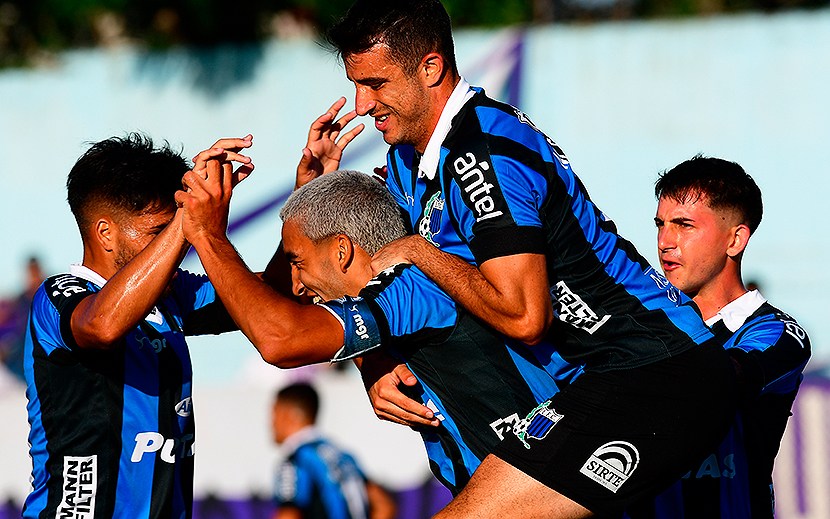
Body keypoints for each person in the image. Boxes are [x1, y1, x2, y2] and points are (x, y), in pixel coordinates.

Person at [297, 1, 743, 517]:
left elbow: (525, 316)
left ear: (431, 68)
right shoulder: (408, 161)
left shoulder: (480, 149)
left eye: (376, 84)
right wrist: (318, 193)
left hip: (655, 372)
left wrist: (423, 251)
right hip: (598, 381)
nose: (362, 102)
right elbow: (361, 274)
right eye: (356, 83)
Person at [176, 165, 582, 495]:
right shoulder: (405, 295)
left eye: (297, 261)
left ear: (341, 249)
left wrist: (208, 237)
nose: (295, 284)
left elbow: (282, 339)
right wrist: (370, 360)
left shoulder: (411, 284)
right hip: (521, 484)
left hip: (547, 482)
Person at [22, 133, 253, 519]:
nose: (177, 243)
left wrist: (305, 201)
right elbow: (102, 325)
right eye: (157, 231)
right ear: (106, 233)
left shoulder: (172, 293)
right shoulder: (59, 296)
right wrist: (185, 222)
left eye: (175, 226)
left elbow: (265, 301)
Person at [623, 157, 810, 518]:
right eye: (660, 225)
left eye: (684, 225)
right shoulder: (641, 321)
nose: (665, 241)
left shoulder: (777, 333)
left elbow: (716, 382)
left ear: (736, 239)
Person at [270, 383, 397, 519]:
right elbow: (384, 506)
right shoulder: (343, 457)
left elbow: (288, 515)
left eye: (274, 413)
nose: (271, 423)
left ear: (288, 415)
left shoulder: (296, 461)